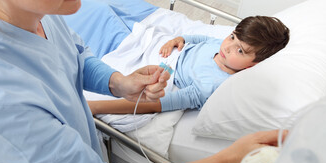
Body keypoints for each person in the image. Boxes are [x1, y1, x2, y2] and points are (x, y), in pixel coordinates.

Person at [0, 0, 285, 163]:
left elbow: (76, 55)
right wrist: (228, 162)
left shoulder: (40, 14)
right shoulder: (3, 103)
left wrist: (118, 82)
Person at [88, 16, 290, 114]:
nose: (228, 47)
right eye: (232, 37)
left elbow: (157, 104)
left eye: (240, 51)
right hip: (166, 50)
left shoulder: (210, 86)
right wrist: (179, 38)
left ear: (252, 65)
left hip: (163, 67)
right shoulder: (219, 46)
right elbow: (201, 38)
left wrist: (95, 107)